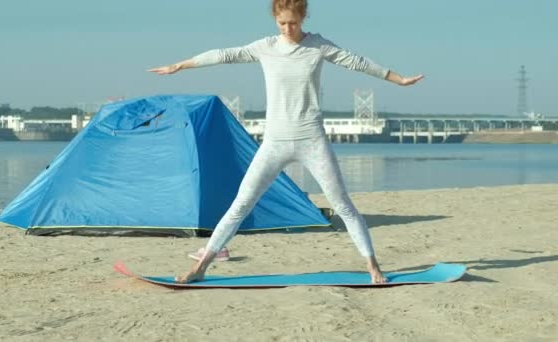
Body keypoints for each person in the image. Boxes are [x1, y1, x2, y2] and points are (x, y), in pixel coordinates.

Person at [149, 0, 424, 284]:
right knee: (241, 204)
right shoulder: (266, 47)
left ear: (303, 17)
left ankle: (373, 268)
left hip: (312, 140)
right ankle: (201, 267)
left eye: (293, 23)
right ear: (275, 20)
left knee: (342, 205)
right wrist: (181, 65)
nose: (288, 29)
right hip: (275, 142)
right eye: (282, 23)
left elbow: (358, 62)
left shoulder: (318, 46)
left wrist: (398, 79)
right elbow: (224, 54)